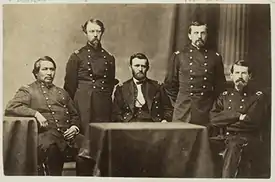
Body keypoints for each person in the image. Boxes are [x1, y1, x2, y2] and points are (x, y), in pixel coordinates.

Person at [5, 56, 93, 176]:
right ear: (36, 73)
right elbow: (12, 107)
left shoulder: (62, 92)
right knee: (53, 150)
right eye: (45, 69)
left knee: (88, 147)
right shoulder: (28, 90)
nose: (49, 73)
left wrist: (74, 127)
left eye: (52, 69)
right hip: (46, 137)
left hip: (68, 137)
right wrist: (35, 114)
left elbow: (74, 115)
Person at [209, 60, 267, 178]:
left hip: (245, 138)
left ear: (249, 76)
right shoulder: (224, 96)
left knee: (233, 146)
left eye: (243, 73)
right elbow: (214, 119)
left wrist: (226, 118)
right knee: (203, 146)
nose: (240, 76)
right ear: (231, 75)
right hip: (224, 136)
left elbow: (251, 121)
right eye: (237, 72)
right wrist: (238, 116)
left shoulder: (257, 96)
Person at [164, 20, 226, 125]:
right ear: (189, 35)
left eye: (202, 33)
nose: (199, 36)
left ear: (206, 35)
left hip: (206, 109)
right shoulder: (179, 56)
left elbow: (220, 86)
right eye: (196, 33)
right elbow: (170, 84)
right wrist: (181, 101)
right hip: (184, 110)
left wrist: (213, 106)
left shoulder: (215, 57)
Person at [64, 18, 118, 133]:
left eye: (98, 31)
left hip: (103, 103)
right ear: (85, 33)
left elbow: (110, 83)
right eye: (91, 31)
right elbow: (69, 86)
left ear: (102, 33)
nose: (95, 35)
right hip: (83, 104)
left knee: (102, 136)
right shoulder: (77, 56)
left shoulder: (109, 58)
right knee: (84, 137)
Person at [112, 53, 172, 122]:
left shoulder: (157, 87)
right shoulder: (121, 89)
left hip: (153, 125)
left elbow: (168, 109)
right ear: (130, 67)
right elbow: (116, 113)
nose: (140, 69)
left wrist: (165, 120)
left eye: (143, 66)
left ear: (147, 68)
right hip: (129, 125)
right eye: (137, 66)